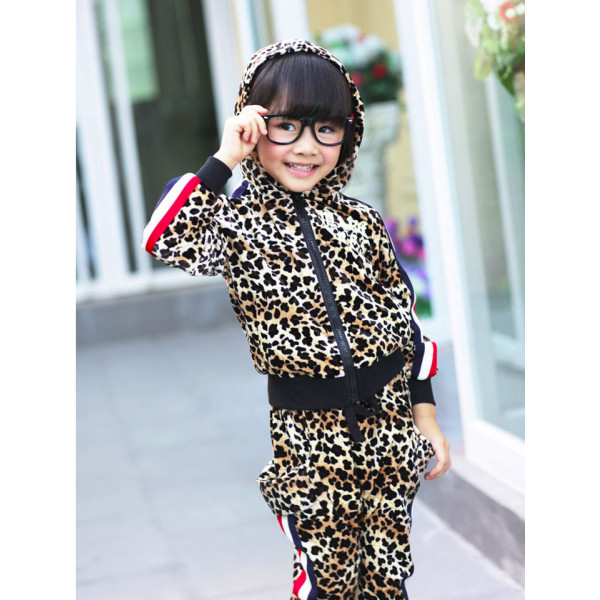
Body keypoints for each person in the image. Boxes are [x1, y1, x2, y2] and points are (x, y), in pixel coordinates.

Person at [141, 39, 451, 600]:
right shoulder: (236, 222)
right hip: (310, 441)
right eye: (286, 127)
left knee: (387, 579)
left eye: (326, 129)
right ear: (254, 126)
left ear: (348, 134)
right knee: (327, 582)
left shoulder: (362, 222)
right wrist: (225, 159)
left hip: (389, 429)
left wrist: (423, 414)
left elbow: (404, 322)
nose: (307, 147)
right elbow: (166, 237)